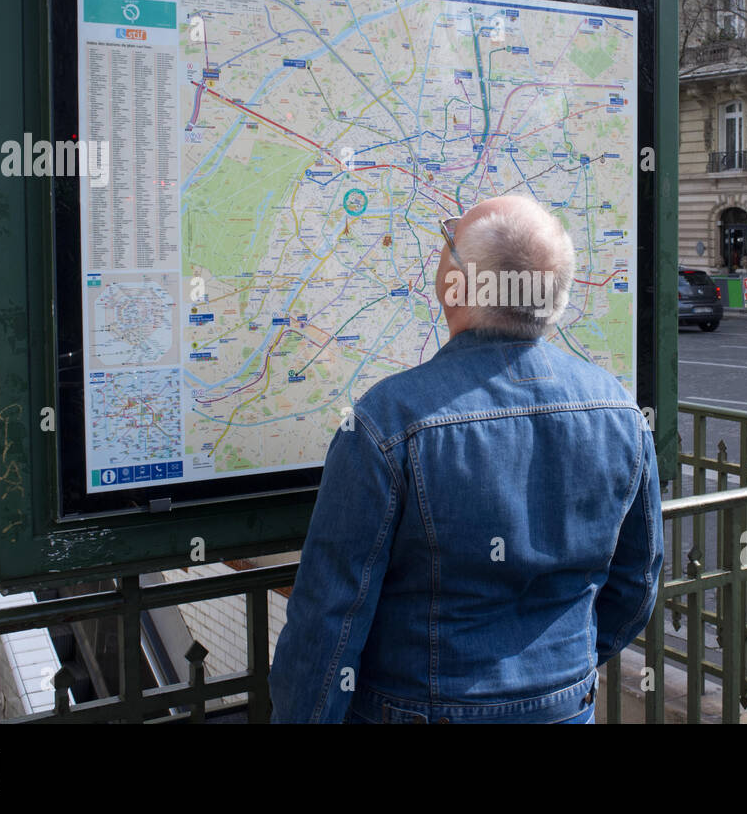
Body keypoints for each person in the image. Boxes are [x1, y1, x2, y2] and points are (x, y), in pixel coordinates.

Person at [268, 195, 663, 724]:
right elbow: (637, 581)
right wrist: (564, 669)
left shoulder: (386, 422)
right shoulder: (619, 413)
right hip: (566, 707)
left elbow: (329, 620)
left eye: (447, 240)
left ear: (456, 286)